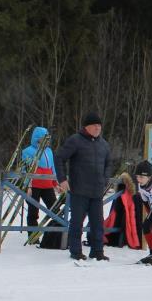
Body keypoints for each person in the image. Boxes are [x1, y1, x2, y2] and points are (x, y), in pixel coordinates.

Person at [53, 111, 113, 262]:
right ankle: (76, 251)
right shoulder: (75, 140)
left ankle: (97, 251)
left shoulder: (104, 144)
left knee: (98, 223)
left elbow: (108, 163)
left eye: (99, 125)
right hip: (79, 189)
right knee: (77, 222)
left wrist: (105, 179)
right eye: (94, 125)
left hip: (97, 191)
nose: (98, 128)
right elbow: (59, 158)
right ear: (87, 127)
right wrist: (62, 179)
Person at [22, 127, 57, 230]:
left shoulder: (49, 151)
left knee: (55, 209)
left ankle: (57, 232)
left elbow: (53, 167)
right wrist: (28, 186)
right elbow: (26, 169)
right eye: (44, 138)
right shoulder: (28, 151)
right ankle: (32, 233)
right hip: (34, 185)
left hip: (47, 185)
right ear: (38, 138)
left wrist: (56, 182)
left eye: (47, 138)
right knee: (33, 210)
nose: (47, 141)